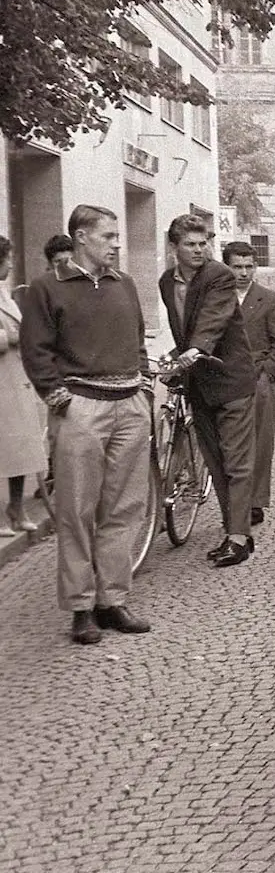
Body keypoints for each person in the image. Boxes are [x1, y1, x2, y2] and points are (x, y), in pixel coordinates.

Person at [18, 205, 151, 643]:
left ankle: (111, 601)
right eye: (109, 236)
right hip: (82, 409)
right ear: (81, 237)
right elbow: (36, 351)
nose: (117, 243)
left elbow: (137, 336)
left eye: (117, 236)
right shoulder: (47, 287)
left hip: (130, 406)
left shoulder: (124, 283)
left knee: (124, 508)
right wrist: (61, 400)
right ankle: (80, 608)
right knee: (77, 511)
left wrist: (143, 387)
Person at [157, 215, 259, 568]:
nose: (200, 250)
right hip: (198, 384)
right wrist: (176, 356)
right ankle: (234, 530)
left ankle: (239, 537)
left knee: (237, 462)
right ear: (175, 247)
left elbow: (213, 320)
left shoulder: (219, 275)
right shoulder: (166, 282)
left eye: (204, 244)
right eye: (191, 244)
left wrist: (196, 349)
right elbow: (183, 328)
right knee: (215, 463)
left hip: (230, 379)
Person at [224, 242, 275, 528]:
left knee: (261, 442)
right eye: (237, 266)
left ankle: (254, 501)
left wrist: (268, 373)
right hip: (225, 378)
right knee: (229, 443)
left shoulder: (270, 299)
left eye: (249, 266)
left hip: (258, 378)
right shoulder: (217, 298)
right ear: (226, 266)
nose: (243, 273)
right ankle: (231, 500)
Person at [0, 235, 47, 536]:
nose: (10, 264)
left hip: (17, 380)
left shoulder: (4, 293)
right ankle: (3, 516)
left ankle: (16, 509)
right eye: (6, 259)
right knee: (4, 449)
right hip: (2, 381)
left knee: (22, 449)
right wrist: (9, 337)